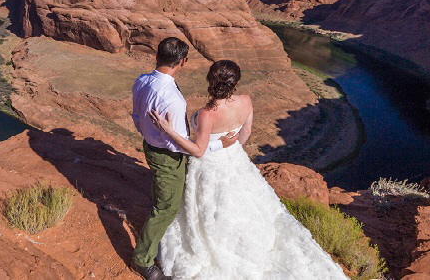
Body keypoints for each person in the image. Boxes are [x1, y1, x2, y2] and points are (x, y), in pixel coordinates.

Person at [149, 60, 348, 280]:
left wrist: (168, 131)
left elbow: (198, 150)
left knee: (212, 213)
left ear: (210, 80)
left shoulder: (207, 114)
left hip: (209, 167)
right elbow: (246, 132)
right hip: (236, 160)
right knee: (244, 208)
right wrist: (232, 152)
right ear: (235, 83)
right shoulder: (245, 101)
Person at [130, 38, 238, 280]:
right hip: (168, 157)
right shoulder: (173, 100)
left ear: (157, 56)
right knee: (166, 208)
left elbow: (136, 117)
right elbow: (182, 145)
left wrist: (149, 133)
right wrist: (220, 144)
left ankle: (157, 238)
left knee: (162, 197)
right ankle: (142, 260)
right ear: (182, 62)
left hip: (151, 147)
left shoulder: (142, 80)